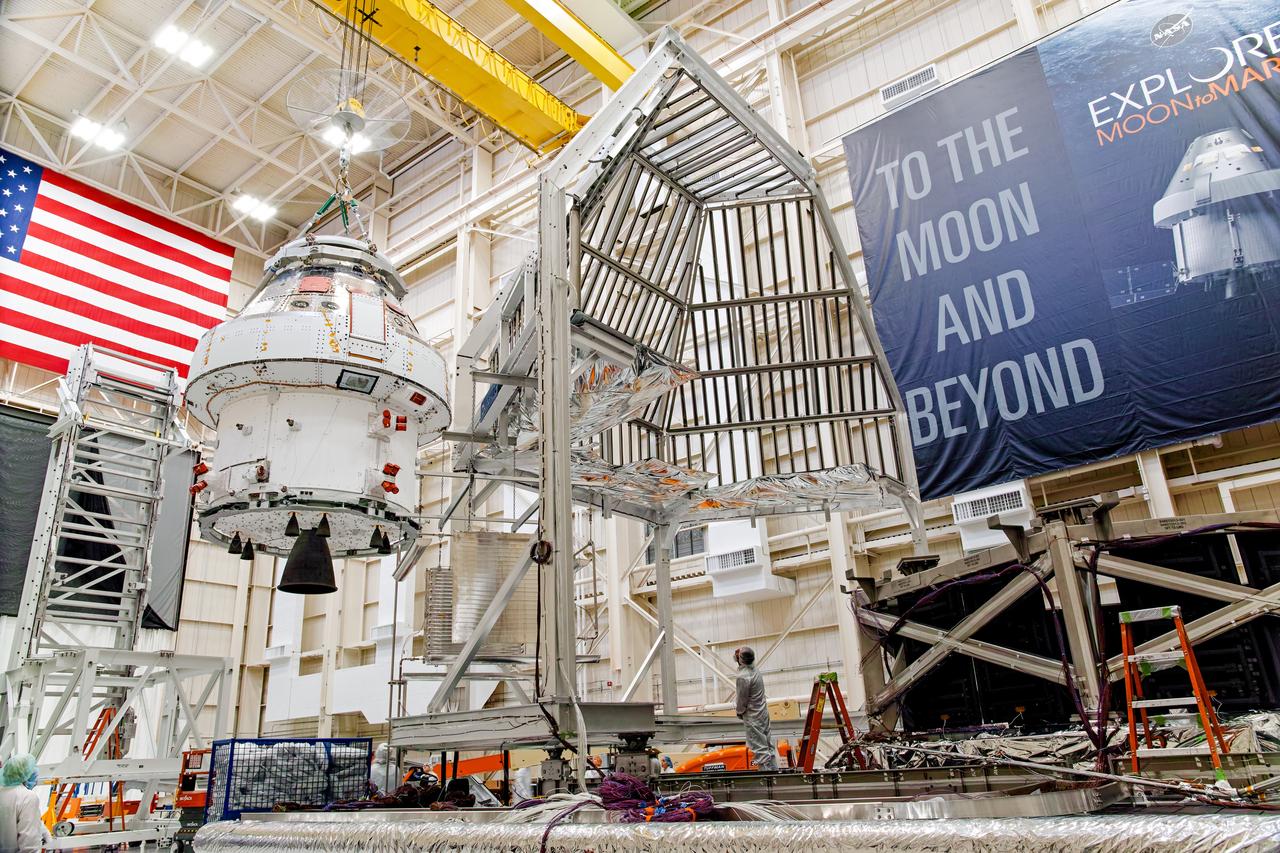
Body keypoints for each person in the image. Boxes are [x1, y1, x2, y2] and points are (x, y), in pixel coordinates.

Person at [734, 646, 777, 771]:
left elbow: (742, 700)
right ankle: (774, 772)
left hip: (753, 716)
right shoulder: (756, 670)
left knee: (760, 749)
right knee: (768, 746)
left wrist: (739, 712)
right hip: (763, 712)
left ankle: (768, 780)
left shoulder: (743, 676)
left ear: (740, 660)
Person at [0, 753, 51, 852]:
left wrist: (45, 834)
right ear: (26, 775)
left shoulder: (3, 793)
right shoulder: (27, 797)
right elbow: (30, 844)